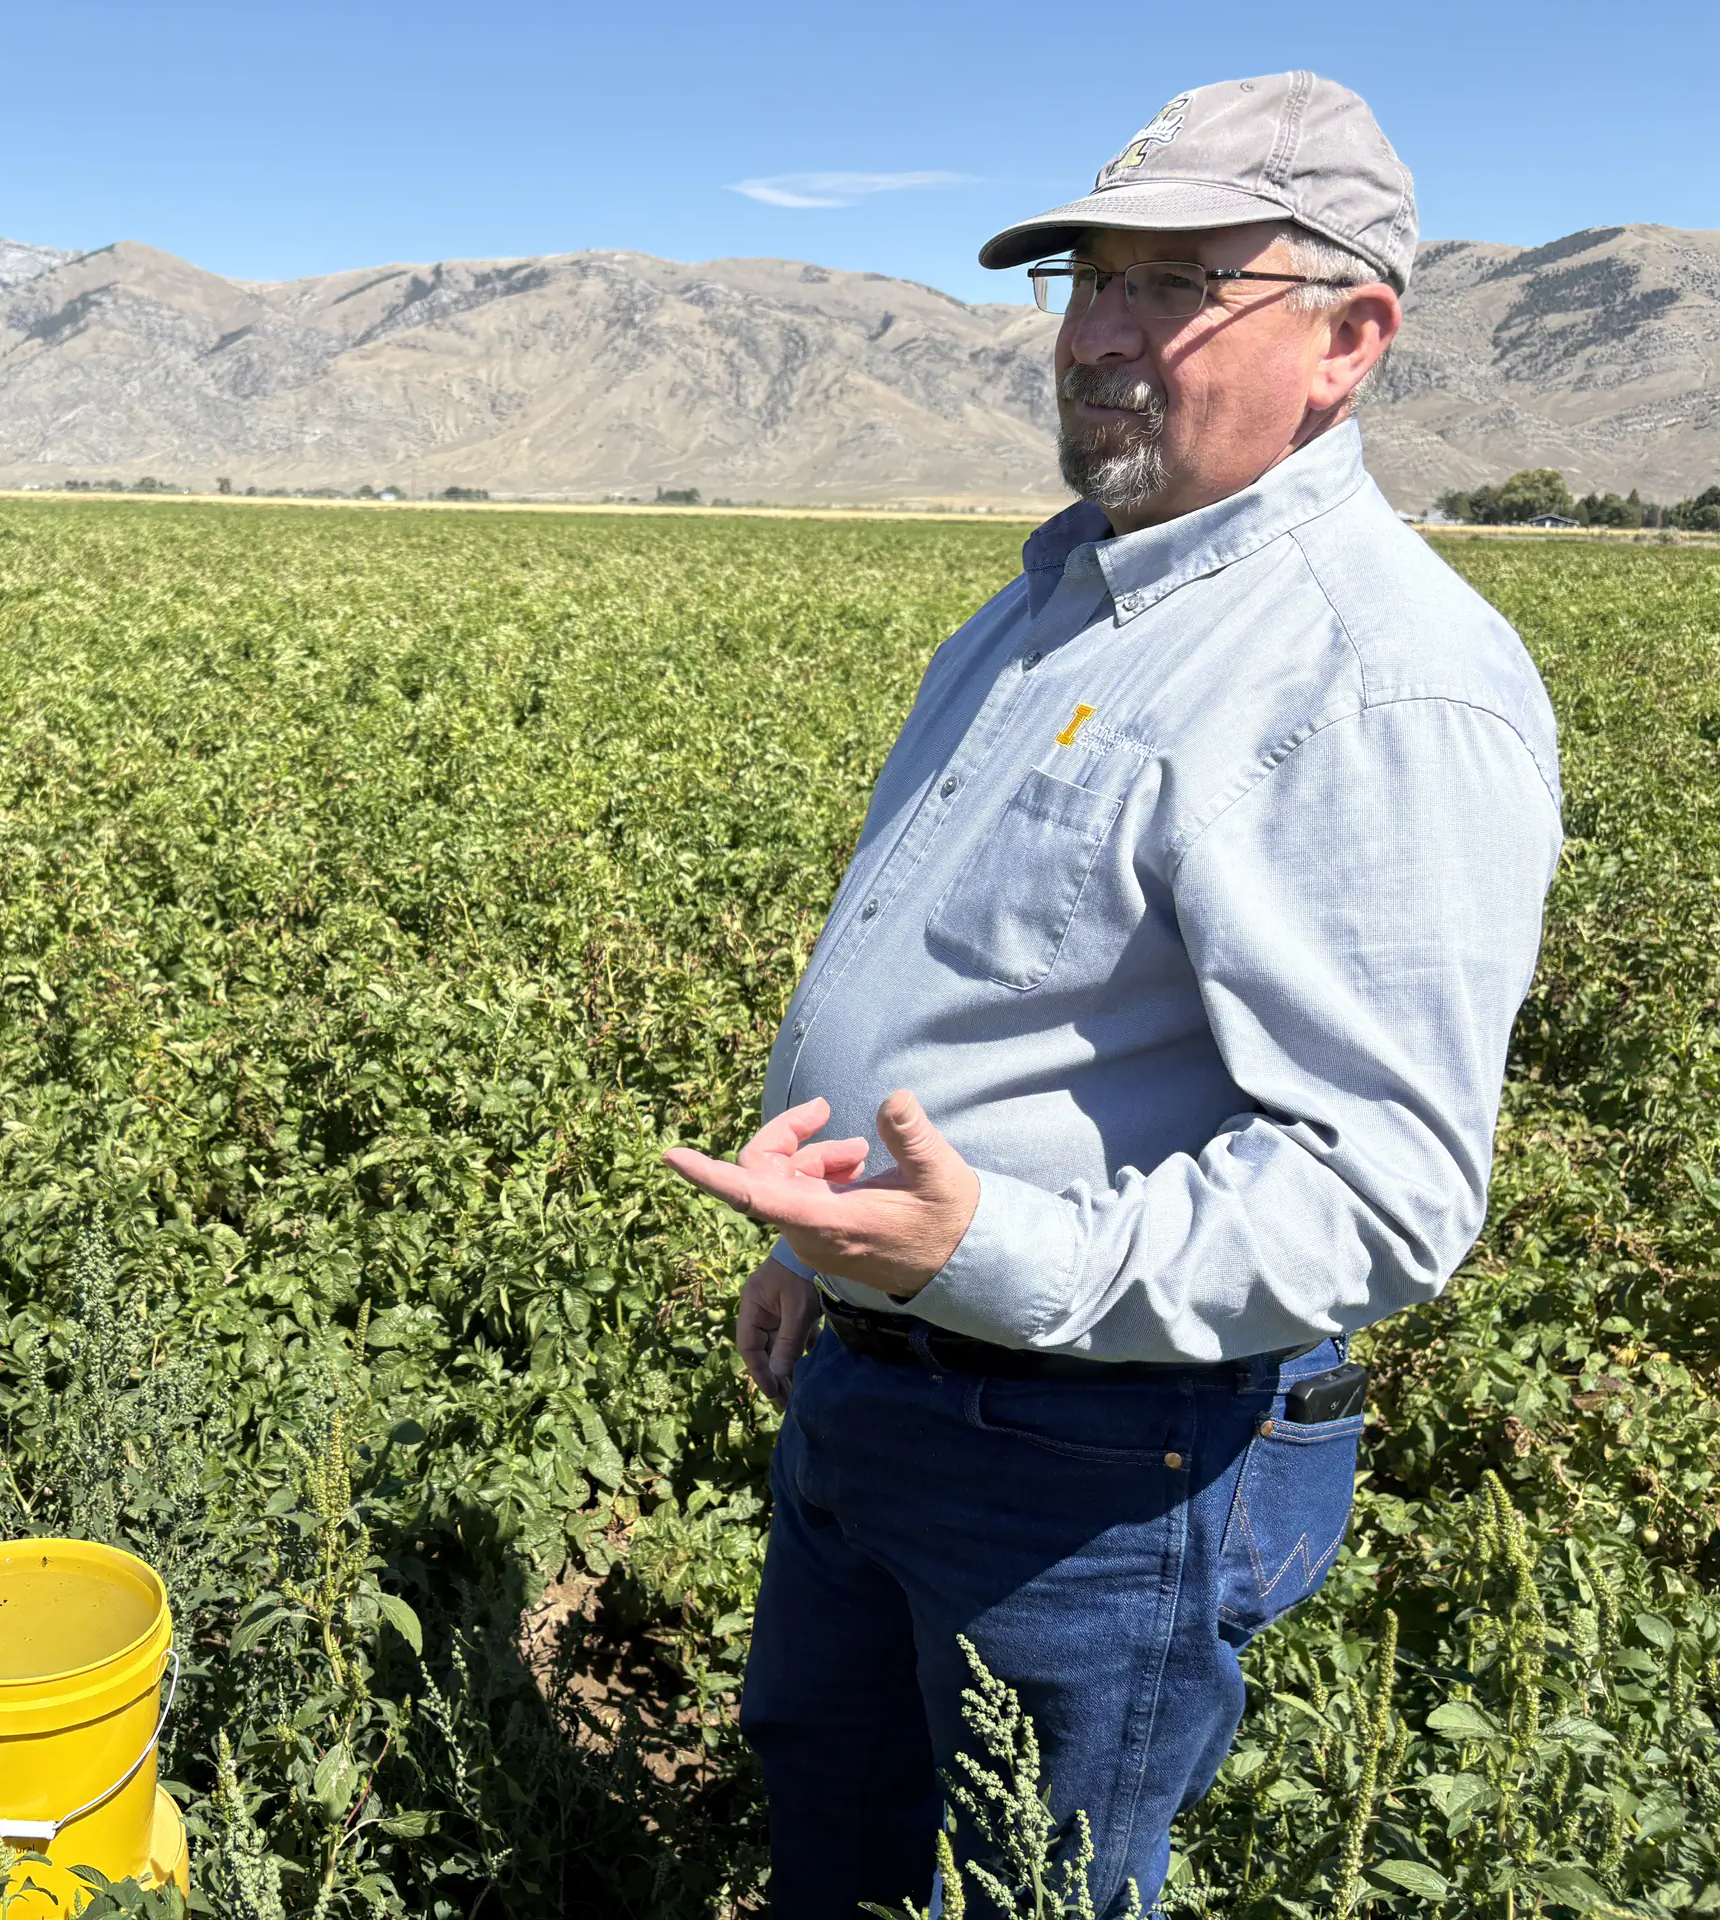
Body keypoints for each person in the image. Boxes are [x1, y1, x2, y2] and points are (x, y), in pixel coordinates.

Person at [660, 73, 1560, 1917]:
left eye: (1176, 286)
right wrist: (835, 1241)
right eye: (1088, 282)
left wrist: (970, 1250)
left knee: (1027, 1888)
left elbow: (1377, 1194)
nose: (1102, 337)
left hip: (1090, 1456)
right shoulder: (1065, 599)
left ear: (1349, 338)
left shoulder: (1376, 682)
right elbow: (988, 1002)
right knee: (835, 1823)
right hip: (891, 1370)